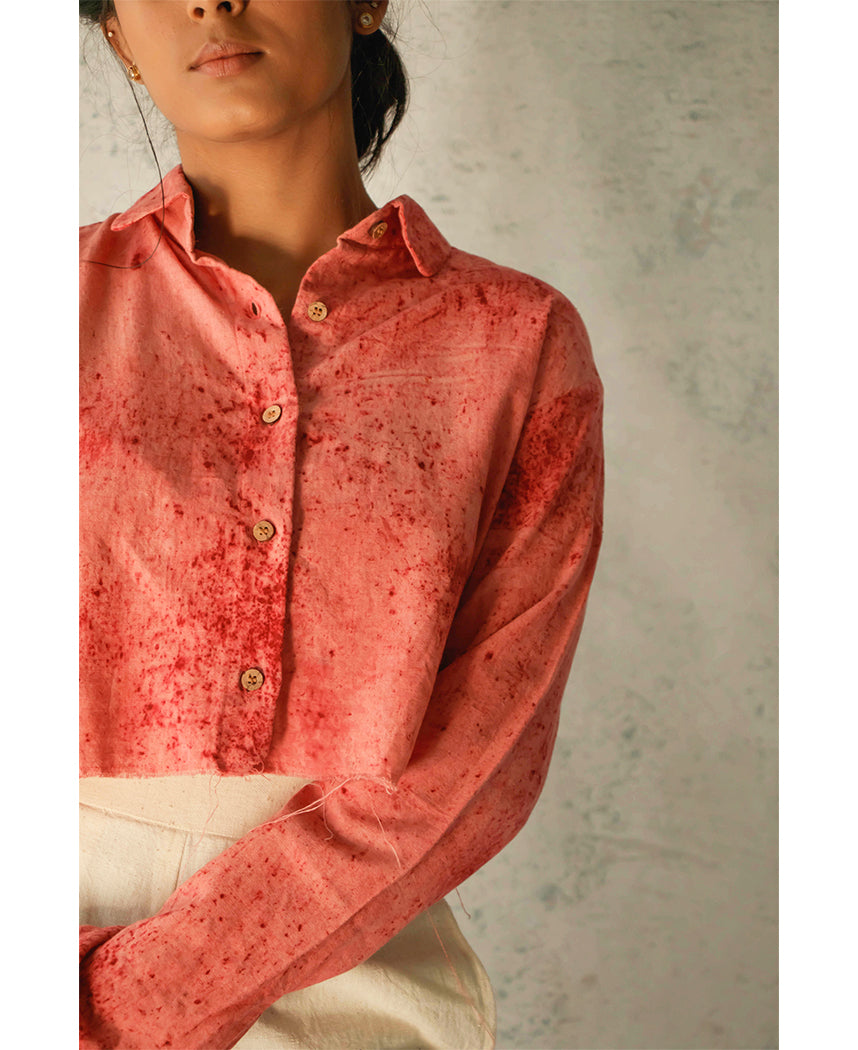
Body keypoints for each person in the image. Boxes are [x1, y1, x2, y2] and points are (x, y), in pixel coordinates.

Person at [78, 2, 605, 1048]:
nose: (209, 2)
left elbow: (483, 756)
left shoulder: (515, 342)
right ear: (120, 40)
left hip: (353, 971)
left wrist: (122, 1008)